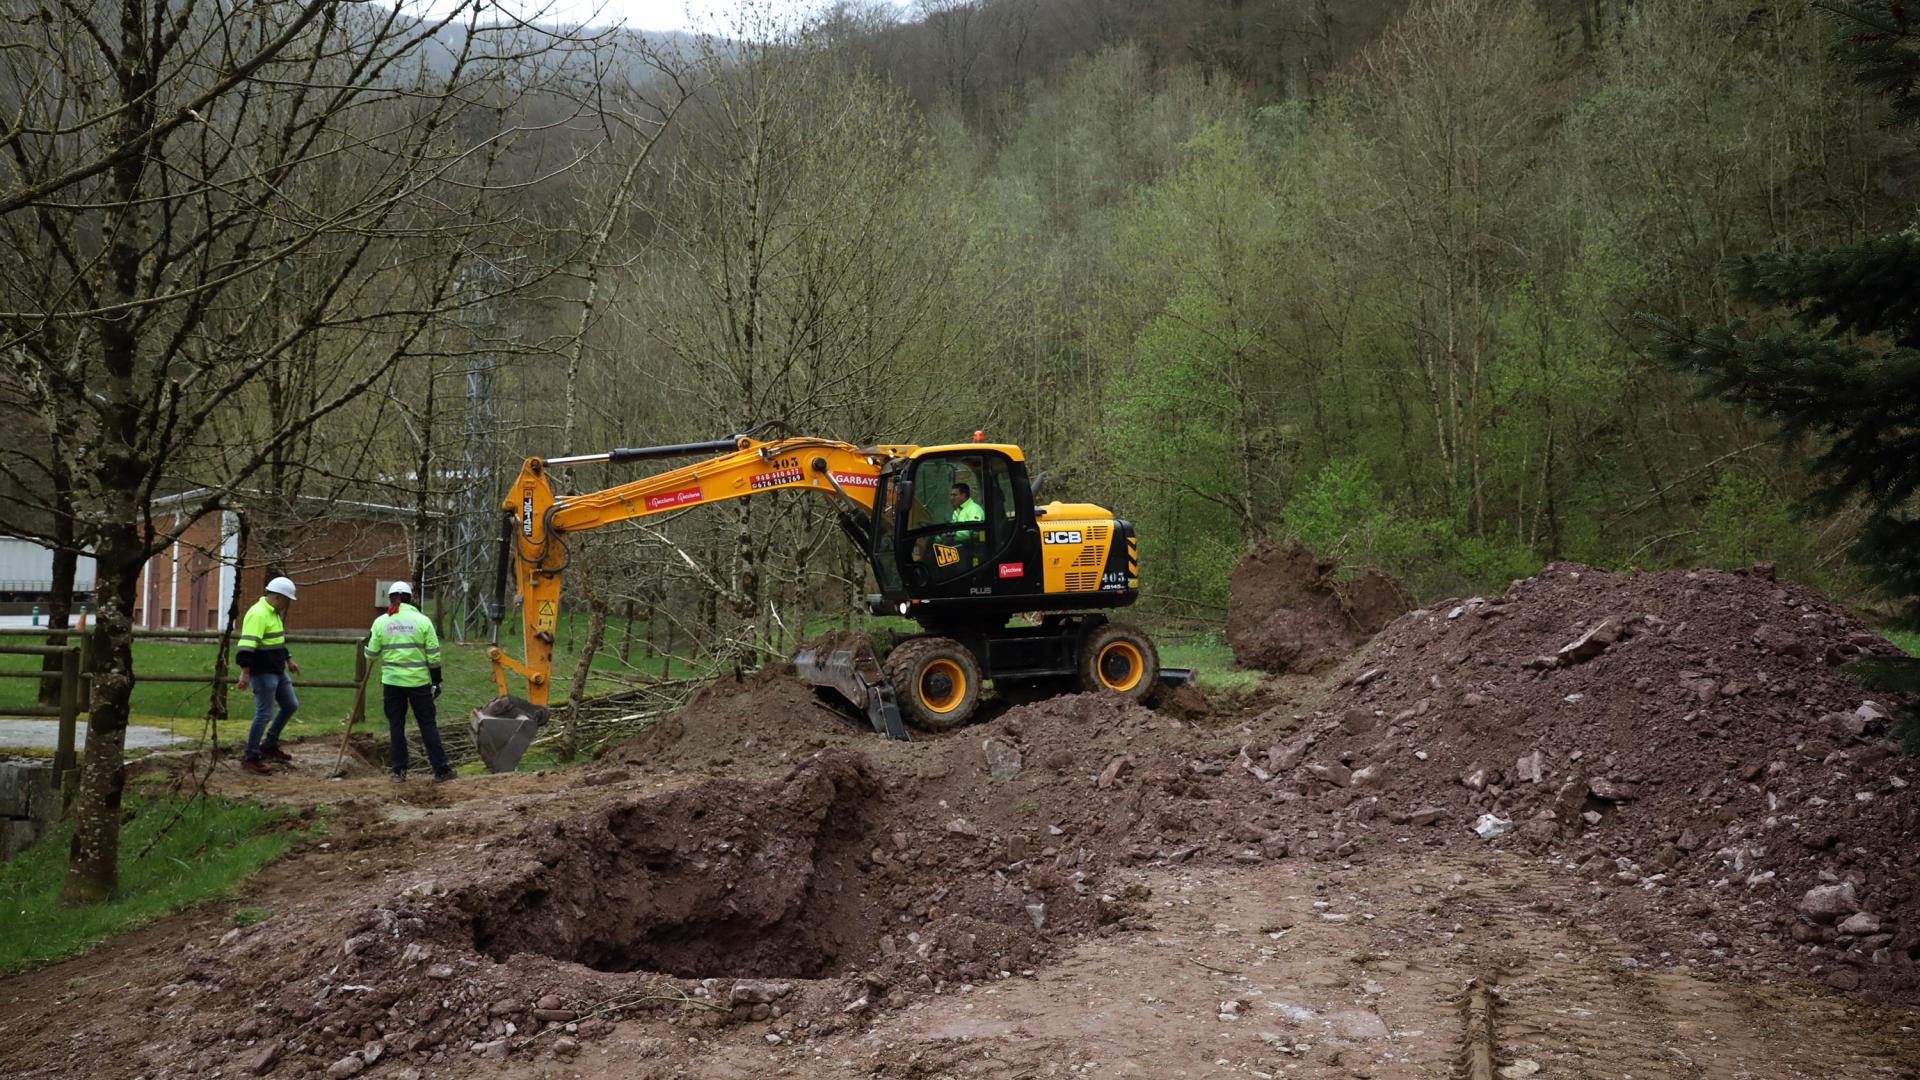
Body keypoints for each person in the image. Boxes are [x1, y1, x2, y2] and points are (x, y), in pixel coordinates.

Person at [365, 579, 453, 783]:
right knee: (427, 724)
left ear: (391, 599)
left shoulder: (381, 622)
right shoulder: (422, 621)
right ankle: (441, 770)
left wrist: (369, 642)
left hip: (392, 683)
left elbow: (370, 654)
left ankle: (398, 771)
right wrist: (436, 681)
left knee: (396, 725)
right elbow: (434, 657)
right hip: (418, 683)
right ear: (410, 598)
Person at [236, 576, 301, 776]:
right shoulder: (258, 614)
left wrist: (288, 658)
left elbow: (276, 641)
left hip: (277, 669)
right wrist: (245, 673)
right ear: (279, 597)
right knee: (264, 714)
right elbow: (247, 647)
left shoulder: (273, 614)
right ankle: (251, 756)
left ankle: (269, 744)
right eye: (288, 599)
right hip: (262, 672)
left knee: (290, 705)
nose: (288, 603)